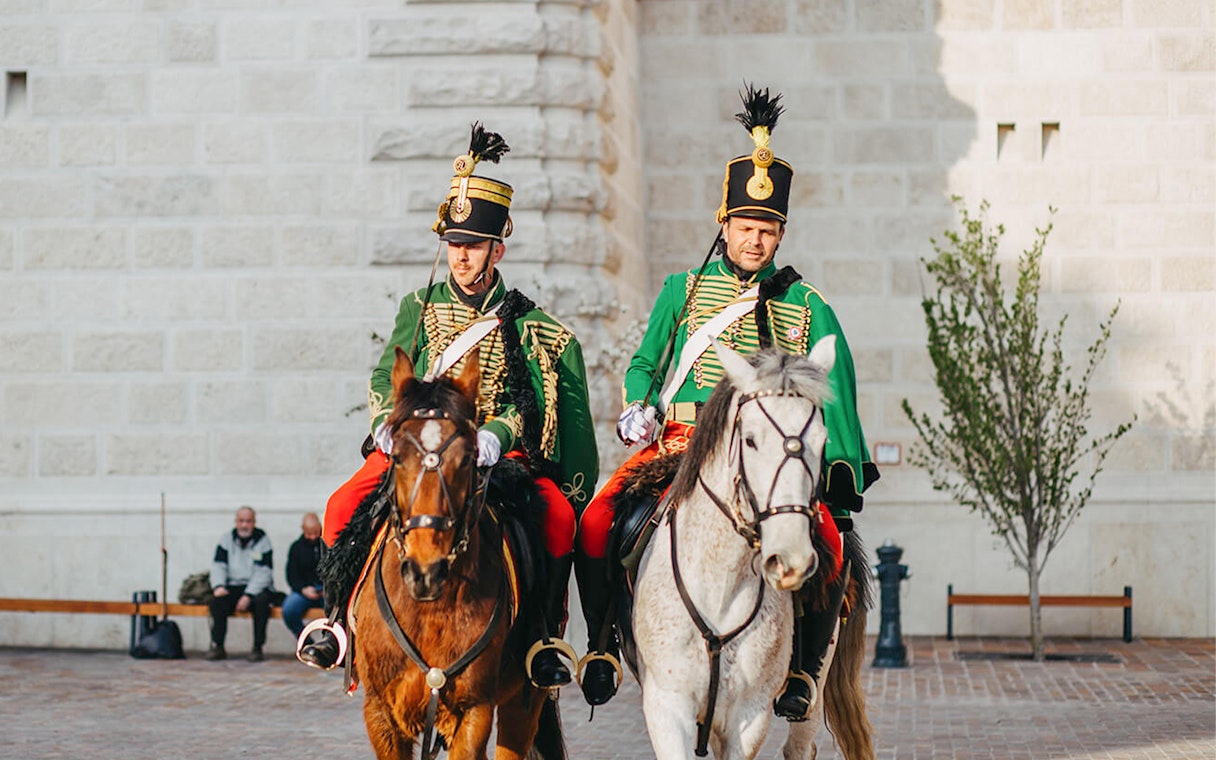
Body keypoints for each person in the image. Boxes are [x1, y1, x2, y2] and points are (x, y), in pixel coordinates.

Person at [574, 85, 880, 713]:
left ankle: (800, 673)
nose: (755, 240)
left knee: (830, 542)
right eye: (745, 226)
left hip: (767, 456)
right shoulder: (682, 291)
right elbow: (643, 363)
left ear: (781, 232)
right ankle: (604, 642)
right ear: (725, 224)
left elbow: (837, 386)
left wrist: (839, 469)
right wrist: (639, 402)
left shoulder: (807, 305)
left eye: (768, 229)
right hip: (680, 446)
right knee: (598, 521)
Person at [298, 123, 598, 691]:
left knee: (558, 518)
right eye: (454, 245)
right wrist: (386, 423)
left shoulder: (523, 321)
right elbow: (390, 370)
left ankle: (541, 636)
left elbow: (523, 400)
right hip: (417, 446)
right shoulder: (419, 304)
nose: (462, 257)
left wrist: (499, 434)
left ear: (497, 248)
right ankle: (338, 623)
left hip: (487, 457)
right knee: (340, 506)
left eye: (474, 246)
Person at [208, 505, 276, 662]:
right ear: (236, 522)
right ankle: (217, 646)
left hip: (255, 588)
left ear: (254, 522)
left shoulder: (263, 541)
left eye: (248, 521)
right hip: (233, 586)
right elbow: (218, 566)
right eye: (241, 521)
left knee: (262, 602)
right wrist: (218, 586)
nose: (245, 525)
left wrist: (248, 595)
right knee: (217, 602)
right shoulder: (226, 540)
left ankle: (257, 648)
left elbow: (264, 572)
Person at [282, 512, 325, 638]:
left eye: (315, 533)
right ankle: (305, 640)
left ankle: (331, 641)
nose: (312, 537)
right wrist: (303, 589)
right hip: (304, 590)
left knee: (336, 610)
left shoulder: (327, 545)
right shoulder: (296, 548)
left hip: (326, 591)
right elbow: (291, 575)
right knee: (289, 610)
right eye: (309, 534)